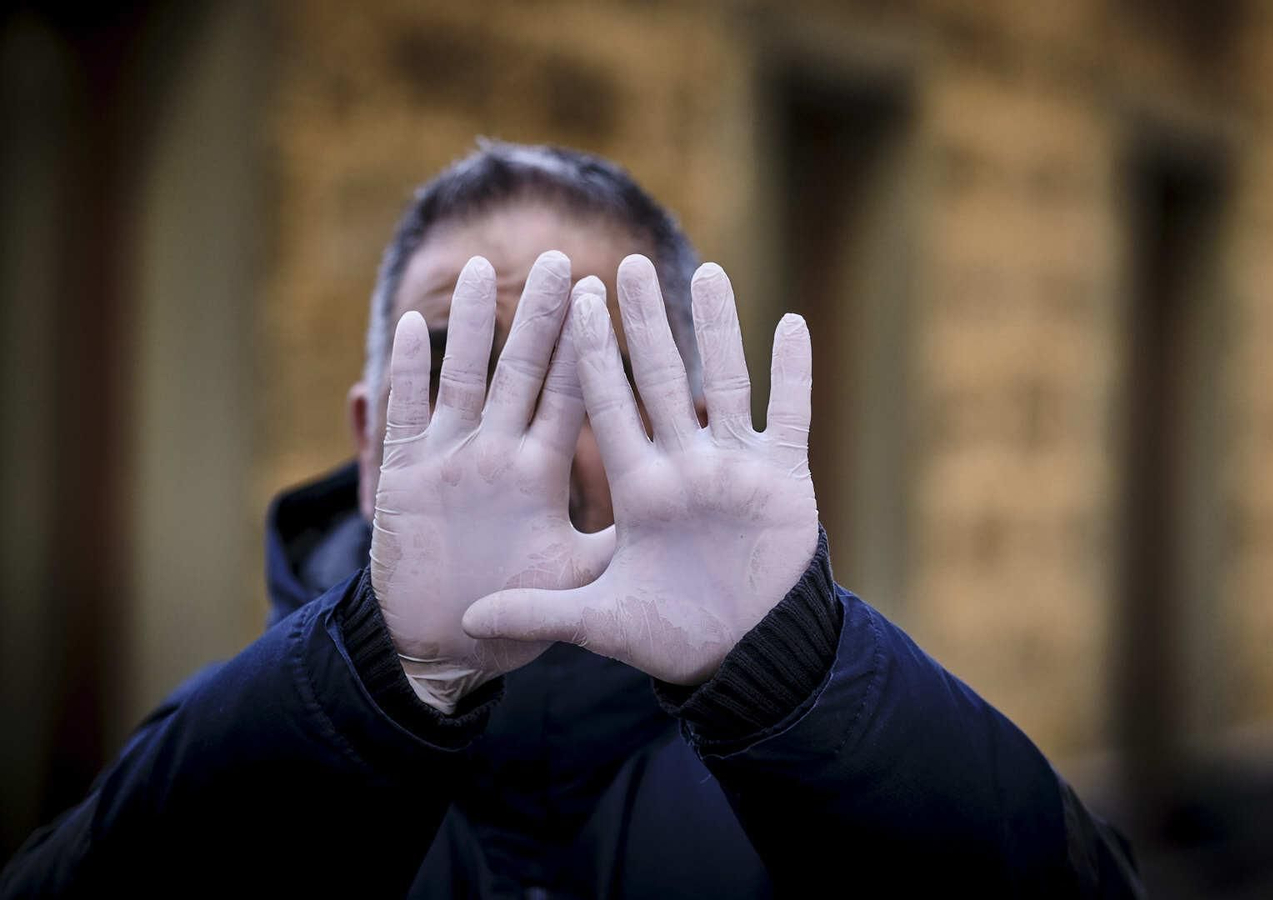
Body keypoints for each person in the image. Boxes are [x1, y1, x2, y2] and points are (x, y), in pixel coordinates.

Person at [0, 142, 1143, 897]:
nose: (524, 424)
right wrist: (379, 679)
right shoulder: (236, 738)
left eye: (588, 367)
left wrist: (792, 680)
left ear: (692, 421)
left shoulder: (825, 737)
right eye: (458, 361)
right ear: (368, 435)